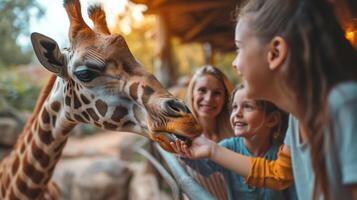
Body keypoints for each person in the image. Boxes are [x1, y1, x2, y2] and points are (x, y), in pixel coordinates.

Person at [171, 0, 357, 199]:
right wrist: (211, 149)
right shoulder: (297, 118)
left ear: (275, 52)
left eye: (239, 49)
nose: (234, 64)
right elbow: (278, 174)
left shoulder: (345, 105)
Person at [175, 85, 296, 199]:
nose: (237, 113)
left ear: (272, 119)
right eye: (234, 107)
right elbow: (206, 168)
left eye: (248, 106)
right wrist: (188, 155)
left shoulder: (283, 157)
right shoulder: (228, 147)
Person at [181, 65, 234, 200]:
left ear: (225, 98)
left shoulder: (236, 135)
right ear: (192, 93)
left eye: (217, 93)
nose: (208, 99)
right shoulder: (182, 139)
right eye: (202, 90)